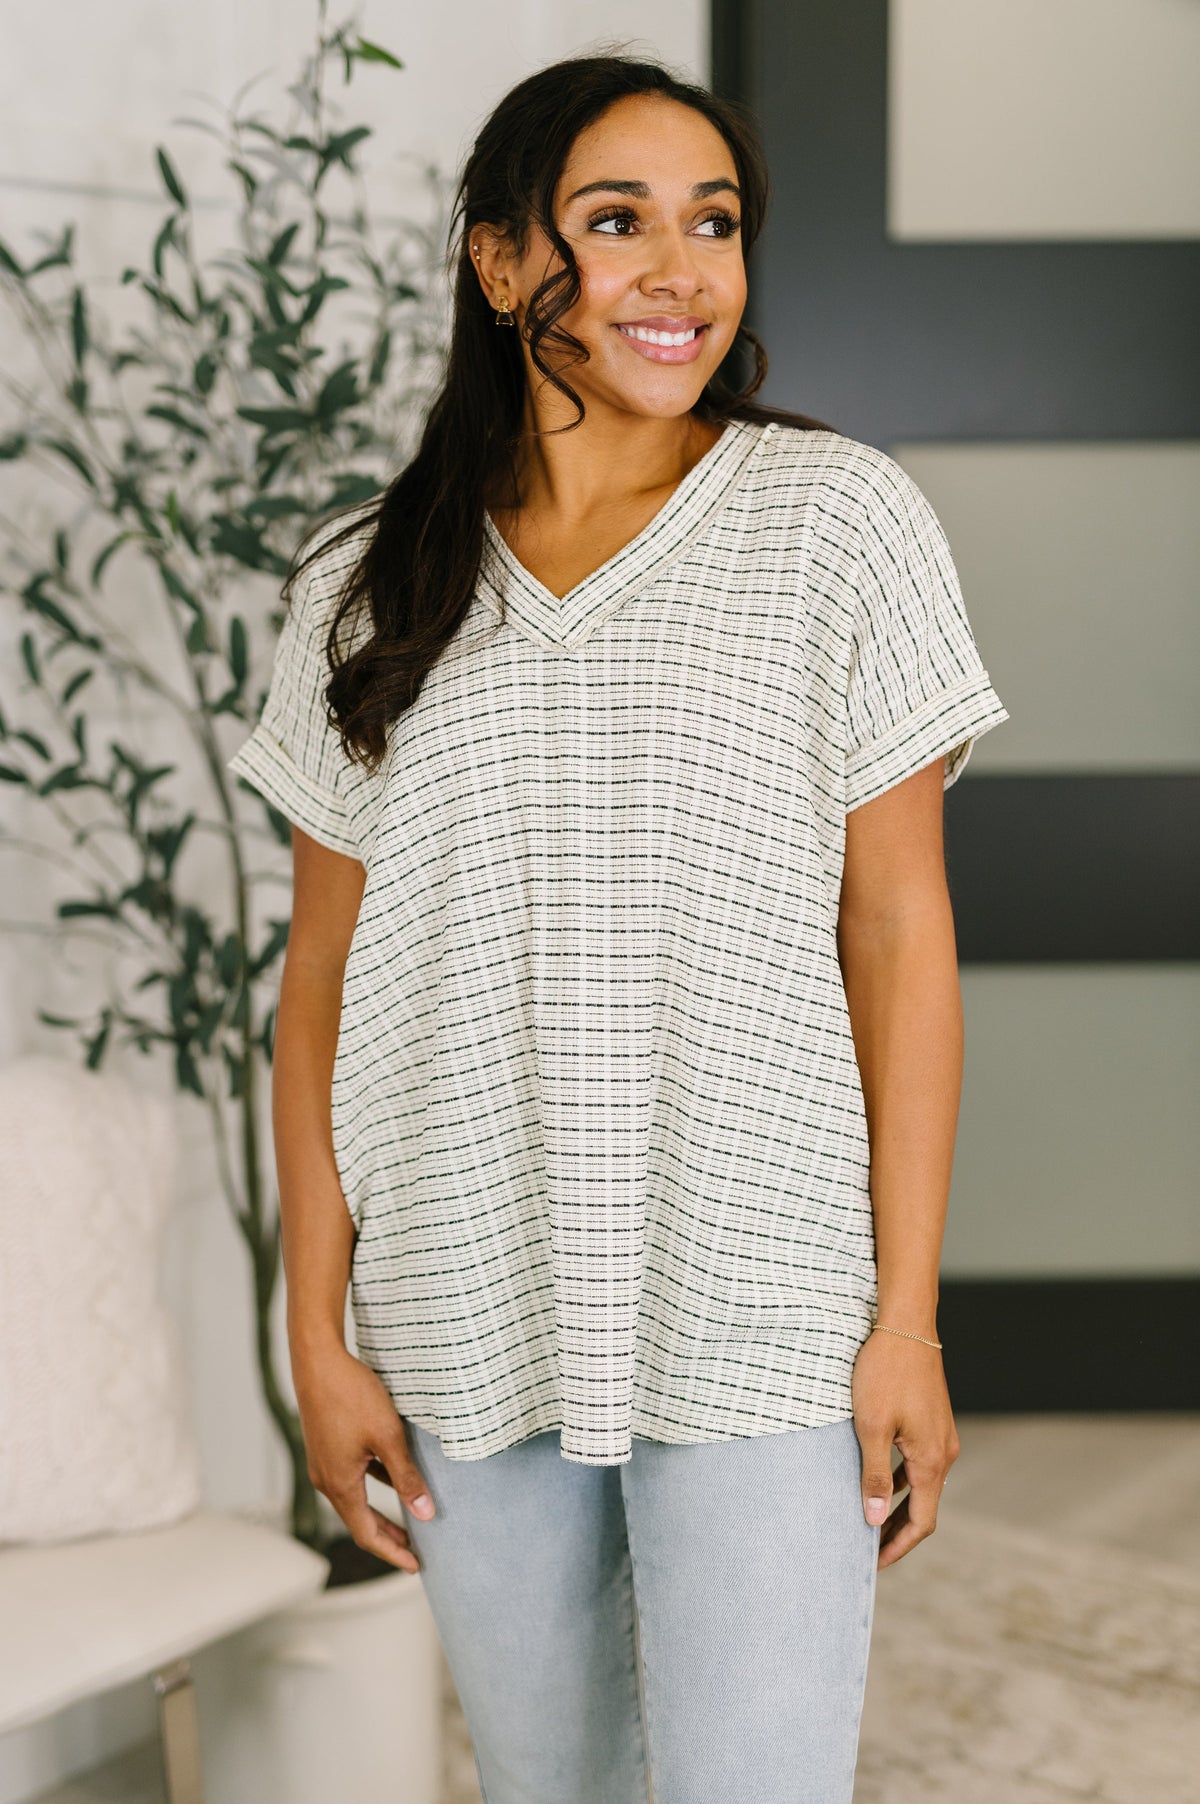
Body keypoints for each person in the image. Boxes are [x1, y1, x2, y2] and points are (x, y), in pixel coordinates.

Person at [227, 50, 1009, 1804]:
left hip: (760, 1298)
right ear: (504, 264)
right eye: (617, 221)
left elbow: (899, 938)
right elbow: (320, 993)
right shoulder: (365, 581)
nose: (680, 269)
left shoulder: (841, 525)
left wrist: (905, 1320)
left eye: (713, 222)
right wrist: (316, 1336)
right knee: (548, 1786)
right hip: (464, 1303)